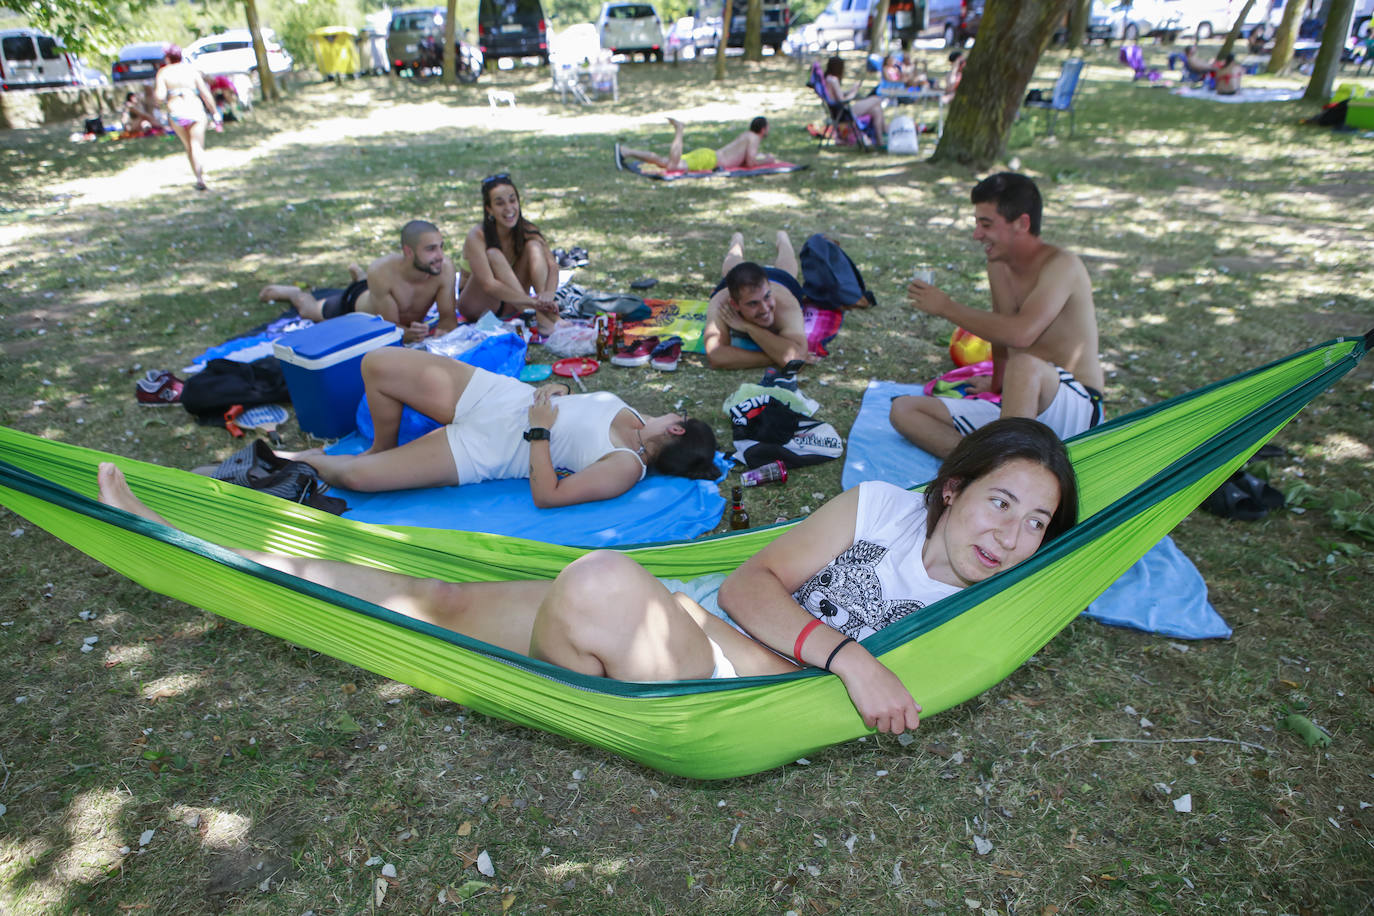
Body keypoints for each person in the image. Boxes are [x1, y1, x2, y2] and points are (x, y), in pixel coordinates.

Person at [96, 417, 1076, 733]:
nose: (1013, 536)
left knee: (601, 584)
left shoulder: (995, 600)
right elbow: (745, 585)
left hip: (729, 690)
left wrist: (836, 667)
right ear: (951, 489)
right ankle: (206, 546)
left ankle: (585, 658)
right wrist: (851, 655)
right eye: (1001, 502)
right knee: (428, 598)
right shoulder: (879, 509)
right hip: (697, 621)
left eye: (1036, 524)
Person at [289, 346, 719, 505]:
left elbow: (548, 496)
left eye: (678, 418)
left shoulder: (627, 466)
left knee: (355, 477)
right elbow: (584, 411)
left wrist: (540, 431)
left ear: (676, 431)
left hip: (491, 449)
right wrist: (560, 393)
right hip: (498, 396)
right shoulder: (638, 419)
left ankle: (301, 460)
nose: (672, 414)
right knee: (378, 364)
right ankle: (381, 446)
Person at [891, 173, 1104, 459]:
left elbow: (1021, 333)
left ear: (1022, 223)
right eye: (977, 223)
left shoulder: (1063, 265)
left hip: (1075, 404)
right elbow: (1002, 335)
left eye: (986, 224)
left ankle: (1003, 465)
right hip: (1021, 405)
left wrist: (945, 306)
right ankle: (983, 461)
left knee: (1026, 365)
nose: (977, 234)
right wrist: (997, 385)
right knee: (904, 409)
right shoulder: (999, 265)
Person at [259, 220, 460, 345]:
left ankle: (360, 275)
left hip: (379, 293)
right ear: (409, 251)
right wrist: (407, 335)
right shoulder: (383, 271)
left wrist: (443, 331)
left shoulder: (443, 269)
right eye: (431, 249)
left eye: (441, 247)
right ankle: (294, 293)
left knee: (373, 285)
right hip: (356, 306)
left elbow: (448, 319)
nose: (440, 256)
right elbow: (389, 329)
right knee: (309, 311)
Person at [455, 174, 560, 333]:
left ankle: (543, 317)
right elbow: (488, 285)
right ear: (488, 209)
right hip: (478, 305)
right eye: (500, 203)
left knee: (533, 245)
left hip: (515, 302)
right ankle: (540, 314)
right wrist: (532, 302)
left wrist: (547, 295)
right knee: (493, 255)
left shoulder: (527, 229)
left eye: (512, 200)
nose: (509, 208)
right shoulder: (477, 236)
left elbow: (552, 266)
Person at [703, 230, 815, 370]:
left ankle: (783, 239)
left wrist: (748, 327)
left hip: (780, 282)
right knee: (731, 270)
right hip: (736, 283)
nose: (765, 309)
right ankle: (737, 240)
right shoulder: (721, 303)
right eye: (753, 303)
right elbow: (716, 357)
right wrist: (775, 356)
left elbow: (796, 359)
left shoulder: (785, 306)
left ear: (770, 291)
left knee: (788, 272)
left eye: (767, 297)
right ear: (734, 304)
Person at [153, 44, 220, 190]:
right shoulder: (191, 70)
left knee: (188, 146)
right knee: (197, 145)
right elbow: (205, 93)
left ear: (168, 57)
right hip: (194, 109)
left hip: (176, 112)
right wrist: (214, 111)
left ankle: (197, 176)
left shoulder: (163, 73)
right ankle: (200, 177)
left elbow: (160, 96)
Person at [615, 116, 776, 173]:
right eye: (768, 127)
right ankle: (679, 129)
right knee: (672, 166)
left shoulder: (747, 136)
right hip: (710, 160)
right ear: (762, 129)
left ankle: (626, 151)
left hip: (708, 155)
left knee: (666, 163)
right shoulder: (754, 138)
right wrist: (767, 160)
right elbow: (750, 162)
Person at [823, 57, 886, 145]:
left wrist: (852, 90)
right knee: (877, 99)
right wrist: (854, 92)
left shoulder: (828, 79)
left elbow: (838, 95)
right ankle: (884, 131)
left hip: (839, 111)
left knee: (876, 110)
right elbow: (843, 100)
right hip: (843, 113)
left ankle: (880, 141)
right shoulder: (833, 80)